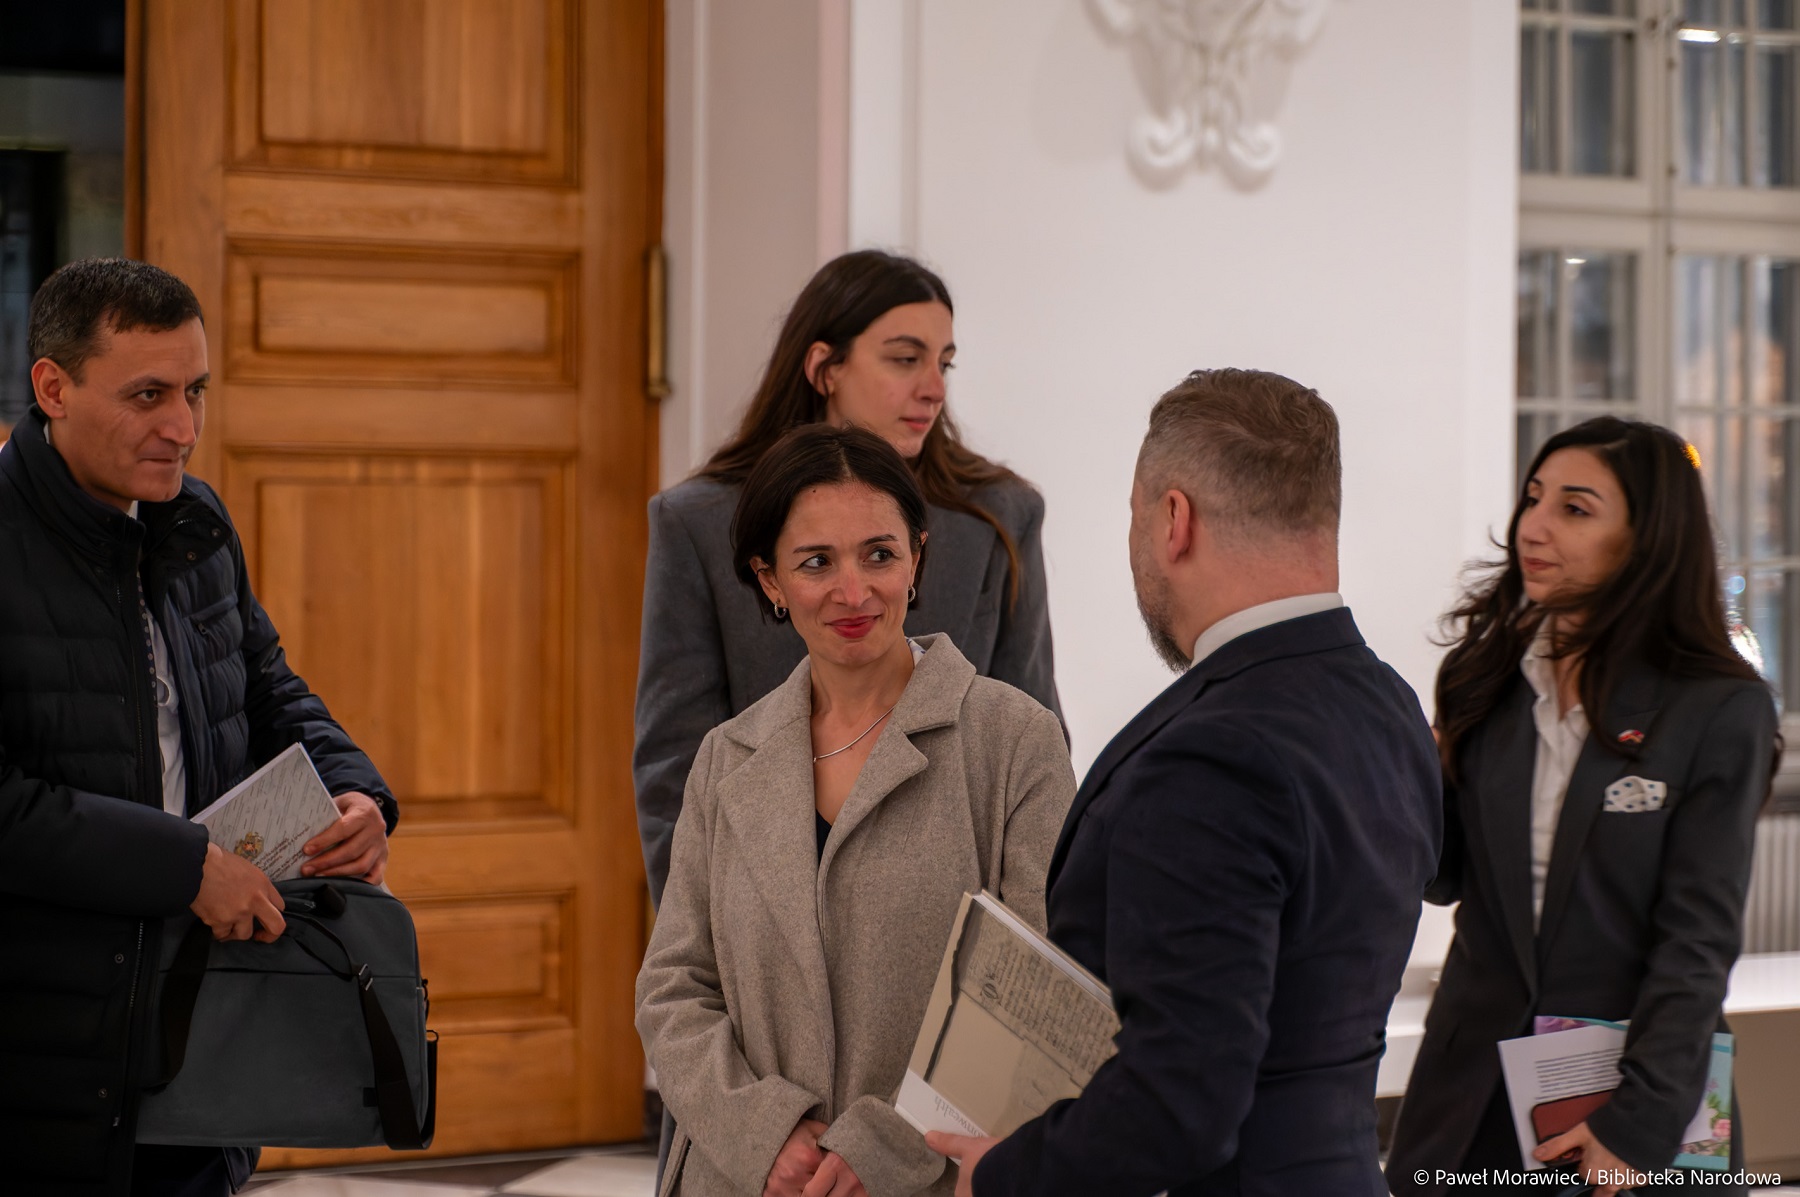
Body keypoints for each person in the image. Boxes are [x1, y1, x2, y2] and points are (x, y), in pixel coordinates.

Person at [925, 368, 1442, 1196]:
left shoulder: (1211, 758)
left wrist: (1008, 1174)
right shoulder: (1389, 705)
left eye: (1135, 515)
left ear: (1174, 520)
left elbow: (1180, 1102)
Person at [0, 259, 396, 1197]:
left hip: (200, 1044)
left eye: (195, 391)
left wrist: (357, 791)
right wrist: (187, 867)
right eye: (148, 394)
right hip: (37, 1071)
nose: (182, 426)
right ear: (53, 388)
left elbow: (265, 687)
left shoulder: (195, 520)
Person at [635, 424, 1074, 1197]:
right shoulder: (725, 759)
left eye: (879, 554)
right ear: (770, 580)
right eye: (816, 562)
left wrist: (887, 1146)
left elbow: (1039, 993)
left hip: (934, 1179)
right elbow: (673, 988)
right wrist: (761, 1131)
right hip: (746, 1179)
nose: (853, 590)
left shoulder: (1013, 742)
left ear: (917, 560)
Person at [1386, 418, 1780, 1197]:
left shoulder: (1717, 709)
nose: (1533, 526)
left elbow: (1696, 940)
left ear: (1645, 539)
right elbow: (1450, 875)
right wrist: (1411, 781)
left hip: (1639, 1099)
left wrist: (1638, 1123)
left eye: (1574, 508)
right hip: (1474, 1091)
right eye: (1533, 498)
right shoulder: (1481, 676)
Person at [634, 249, 1061, 910]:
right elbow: (673, 767)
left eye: (944, 363)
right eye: (905, 358)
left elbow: (1034, 734)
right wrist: (708, 938)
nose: (934, 388)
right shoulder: (699, 523)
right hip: (770, 912)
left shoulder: (1000, 516)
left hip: (954, 912)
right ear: (824, 368)